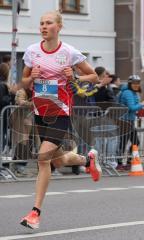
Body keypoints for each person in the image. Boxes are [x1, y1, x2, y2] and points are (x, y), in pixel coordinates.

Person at [20, 10, 102, 229]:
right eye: (41, 23)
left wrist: (74, 77)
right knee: (59, 160)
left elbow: (94, 77)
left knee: (43, 158)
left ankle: (35, 213)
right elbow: (24, 81)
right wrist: (31, 79)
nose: (43, 27)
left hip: (61, 113)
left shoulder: (69, 52)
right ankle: (88, 161)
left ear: (59, 27)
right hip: (40, 113)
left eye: (48, 23)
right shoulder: (32, 51)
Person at [118, 75, 144, 170]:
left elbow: (133, 108)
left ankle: (129, 161)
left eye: (138, 83)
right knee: (123, 142)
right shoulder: (128, 93)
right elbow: (132, 107)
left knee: (135, 141)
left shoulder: (133, 93)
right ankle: (120, 163)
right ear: (130, 83)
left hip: (129, 121)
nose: (136, 85)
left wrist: (136, 114)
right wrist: (143, 103)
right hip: (124, 121)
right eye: (134, 83)